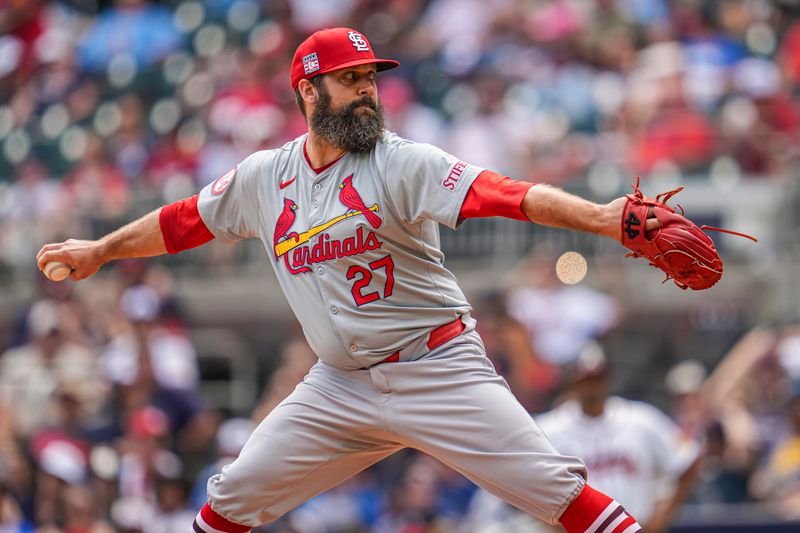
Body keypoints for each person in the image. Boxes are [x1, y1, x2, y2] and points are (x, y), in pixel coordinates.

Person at [37, 27, 660, 533]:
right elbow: (184, 222)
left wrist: (602, 219)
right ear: (308, 91)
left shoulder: (401, 159)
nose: (368, 91)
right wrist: (101, 249)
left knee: (562, 495)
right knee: (229, 500)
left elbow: (504, 194)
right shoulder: (264, 175)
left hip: (437, 368)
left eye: (370, 79)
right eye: (350, 79)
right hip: (337, 387)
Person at [531, 342, 700, 532]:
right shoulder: (549, 428)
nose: (592, 387)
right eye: (586, 380)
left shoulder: (640, 419)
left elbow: (689, 458)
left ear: (608, 378)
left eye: (597, 379)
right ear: (573, 382)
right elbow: (524, 482)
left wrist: (662, 515)